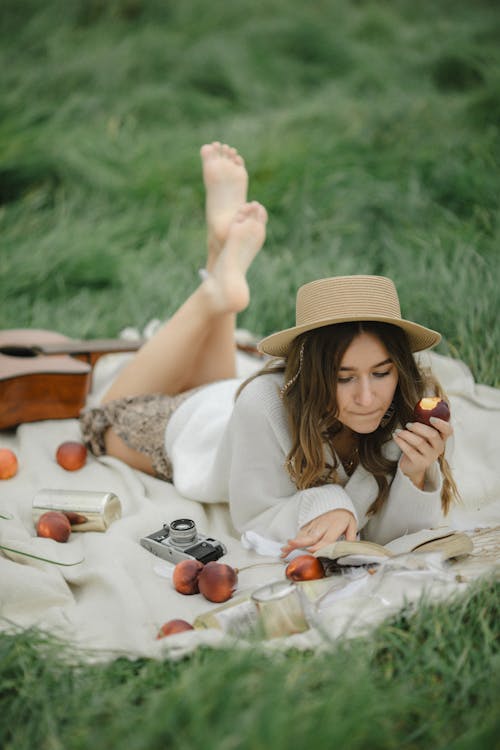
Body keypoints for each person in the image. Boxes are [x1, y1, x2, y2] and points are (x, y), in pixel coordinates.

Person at [80, 142, 457, 555]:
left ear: (400, 368)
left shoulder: (414, 411)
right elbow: (253, 515)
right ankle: (213, 295)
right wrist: (327, 502)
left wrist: (415, 473)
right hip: (201, 424)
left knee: (219, 379)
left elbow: (391, 538)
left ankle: (221, 254)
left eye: (381, 373)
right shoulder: (262, 405)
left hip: (233, 393)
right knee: (99, 420)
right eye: (343, 377)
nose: (367, 398)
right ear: (312, 373)